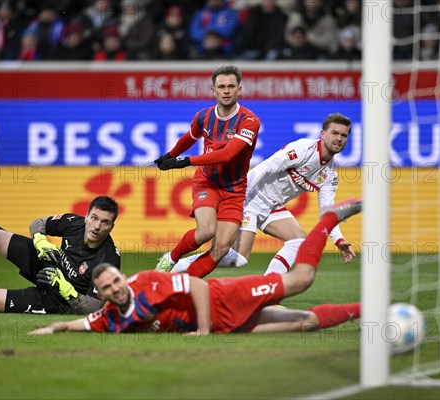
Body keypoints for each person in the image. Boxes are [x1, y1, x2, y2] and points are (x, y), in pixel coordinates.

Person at [28, 197, 362, 335]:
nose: (116, 287)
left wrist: (202, 331)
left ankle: (328, 220)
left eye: (117, 280)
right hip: (224, 324)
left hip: (225, 297)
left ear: (122, 276)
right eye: (109, 288)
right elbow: (80, 324)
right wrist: (51, 329)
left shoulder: (146, 283)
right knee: (303, 324)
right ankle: (369, 308)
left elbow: (199, 286)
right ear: (102, 293)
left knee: (302, 279)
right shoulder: (112, 316)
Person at [172, 113, 355, 277]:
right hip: (250, 198)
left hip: (271, 207)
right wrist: (239, 194)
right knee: (239, 258)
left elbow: (328, 212)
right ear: (323, 134)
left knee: (300, 241)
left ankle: (268, 291)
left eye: (344, 135)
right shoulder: (304, 149)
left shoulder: (329, 176)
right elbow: (266, 167)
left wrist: (338, 240)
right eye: (334, 133)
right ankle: (180, 265)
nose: (339, 138)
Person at [153, 65, 261, 279]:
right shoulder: (203, 117)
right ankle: (171, 259)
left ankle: (184, 286)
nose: (227, 90)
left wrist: (184, 161)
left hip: (234, 190)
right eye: (222, 86)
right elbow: (190, 137)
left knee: (221, 247)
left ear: (239, 89)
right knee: (206, 231)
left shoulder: (250, 121)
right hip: (207, 182)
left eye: (231, 86)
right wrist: (170, 154)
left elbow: (227, 154)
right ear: (214, 90)